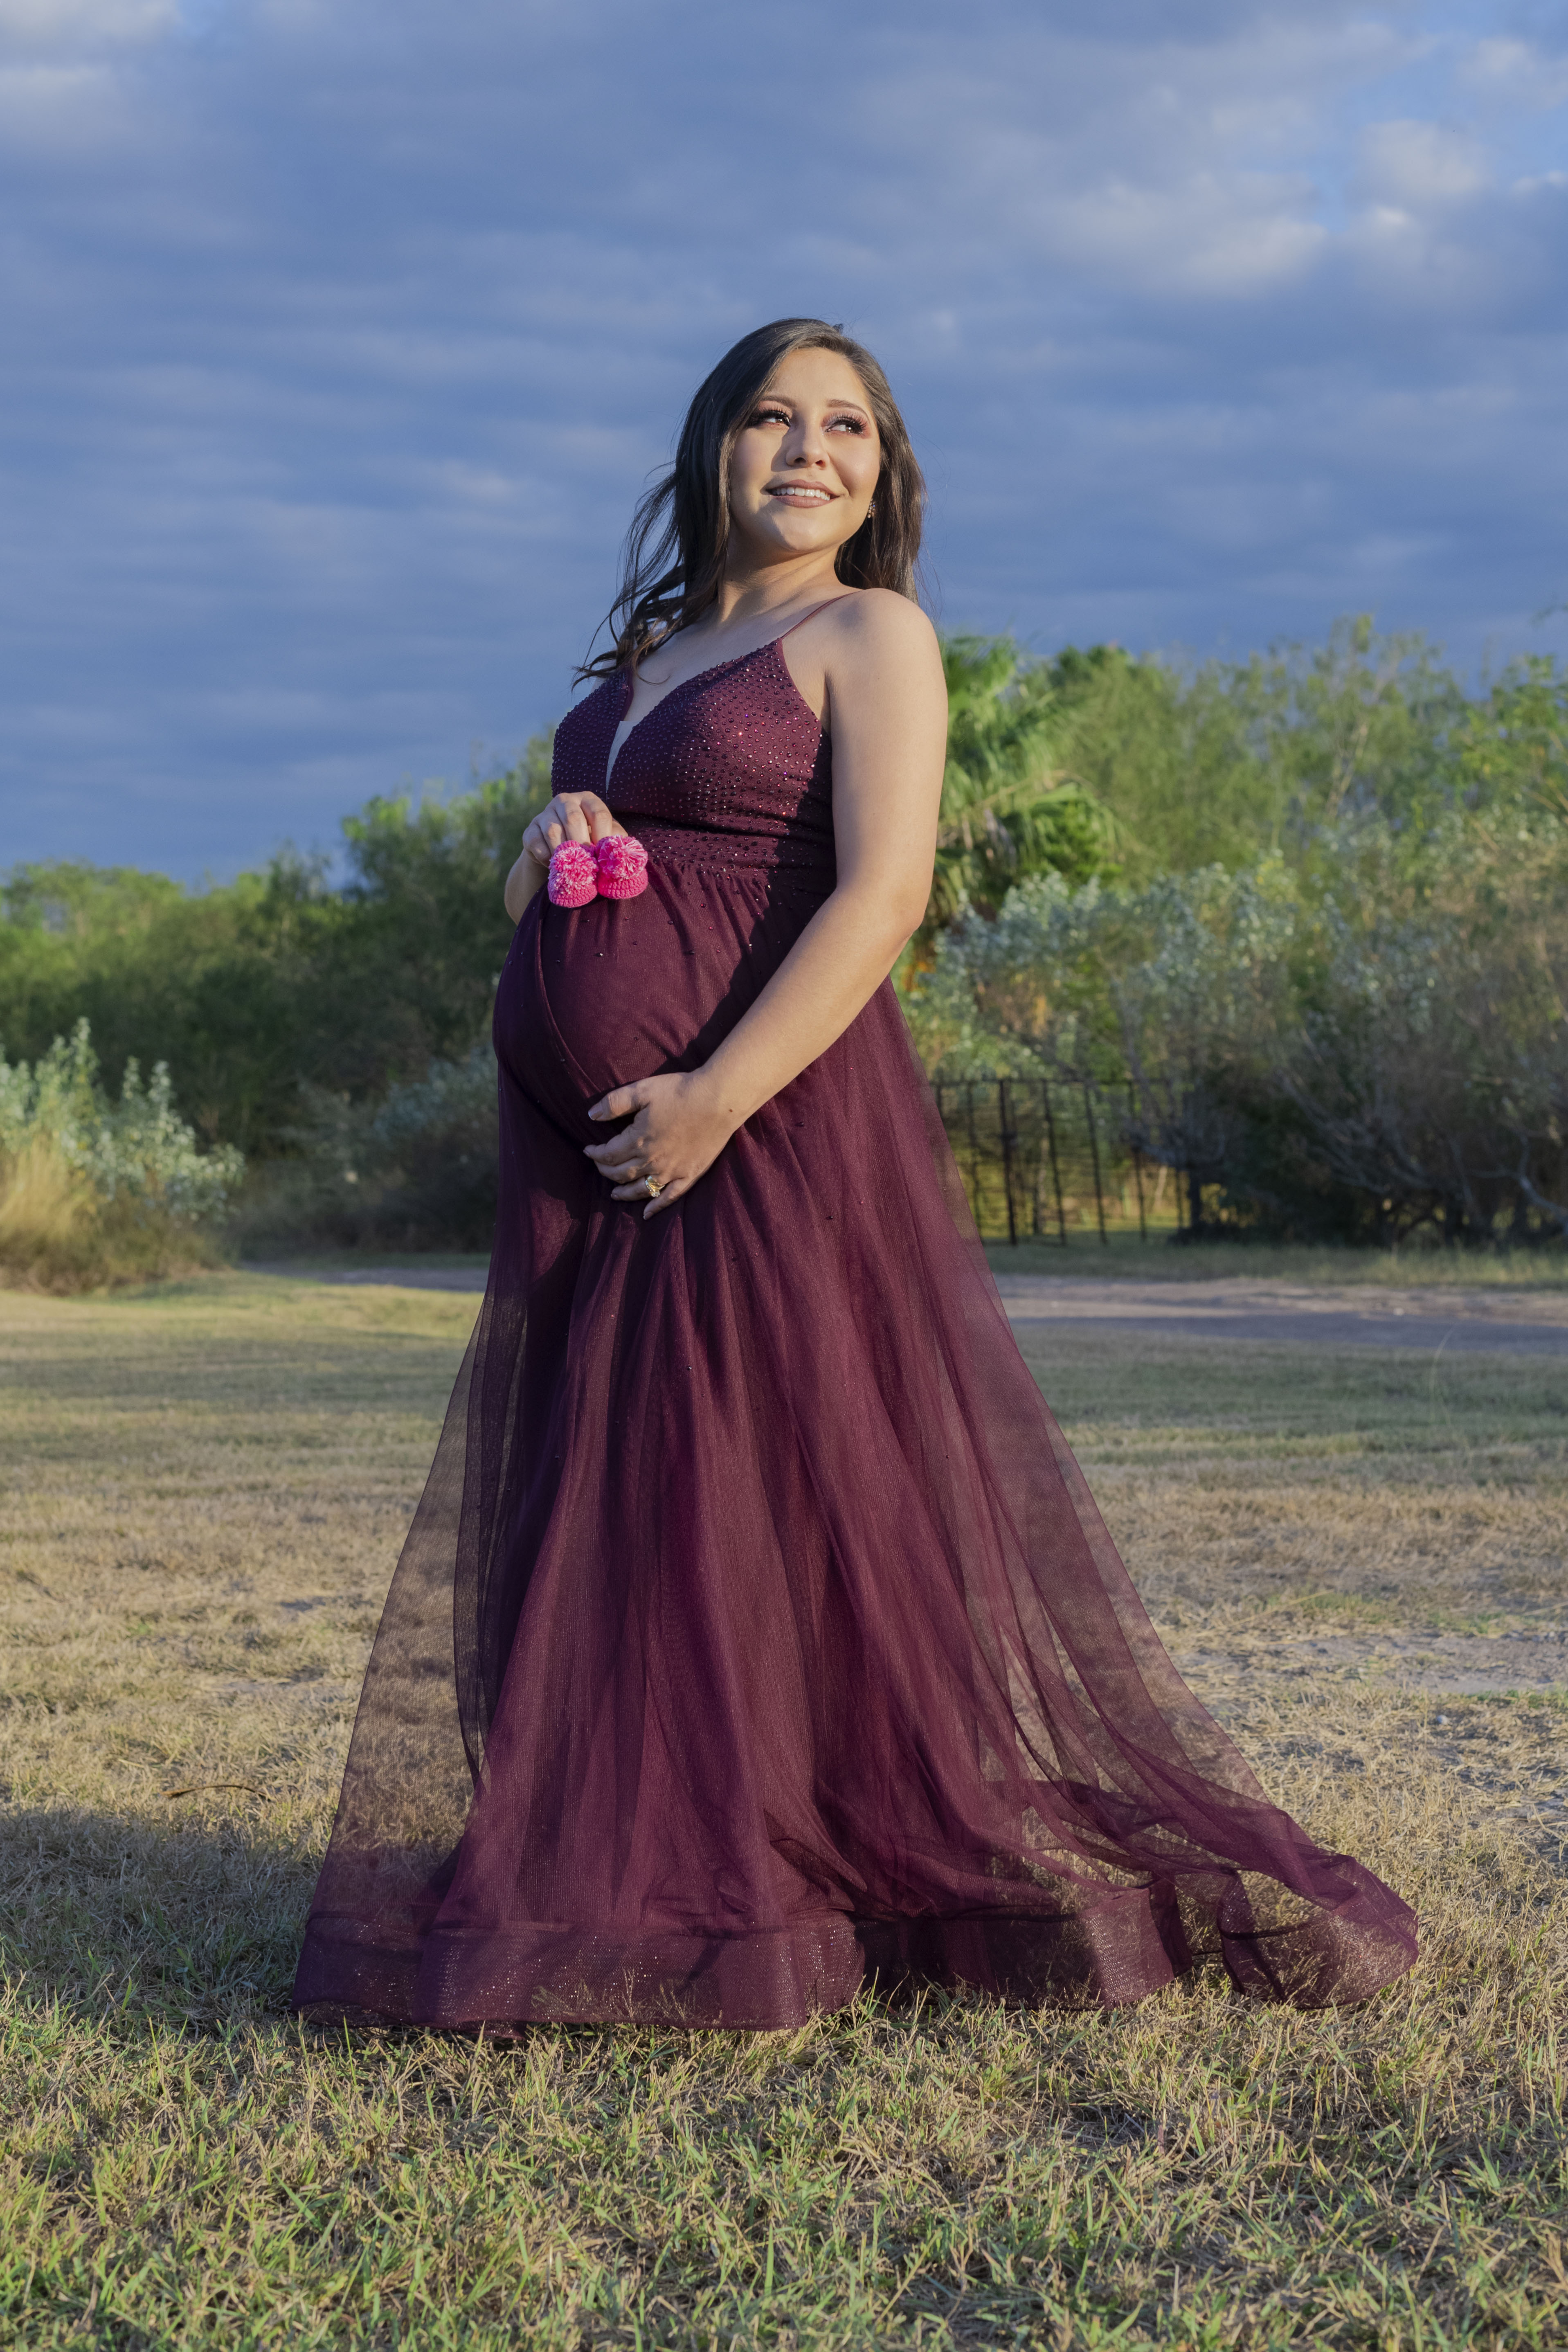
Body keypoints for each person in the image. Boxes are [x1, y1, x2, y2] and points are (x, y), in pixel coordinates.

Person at [294, 319, 1416, 2030]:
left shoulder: (868, 634)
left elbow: (879, 898)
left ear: (880, 476)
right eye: (772, 416)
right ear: (711, 445)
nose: (807, 450)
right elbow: (599, 888)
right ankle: (627, 1855)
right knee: (618, 1491)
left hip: (758, 1127)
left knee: (736, 1493)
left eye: (846, 429)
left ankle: (745, 1877)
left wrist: (712, 1099)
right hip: (598, 1160)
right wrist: (547, 848)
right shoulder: (645, 660)